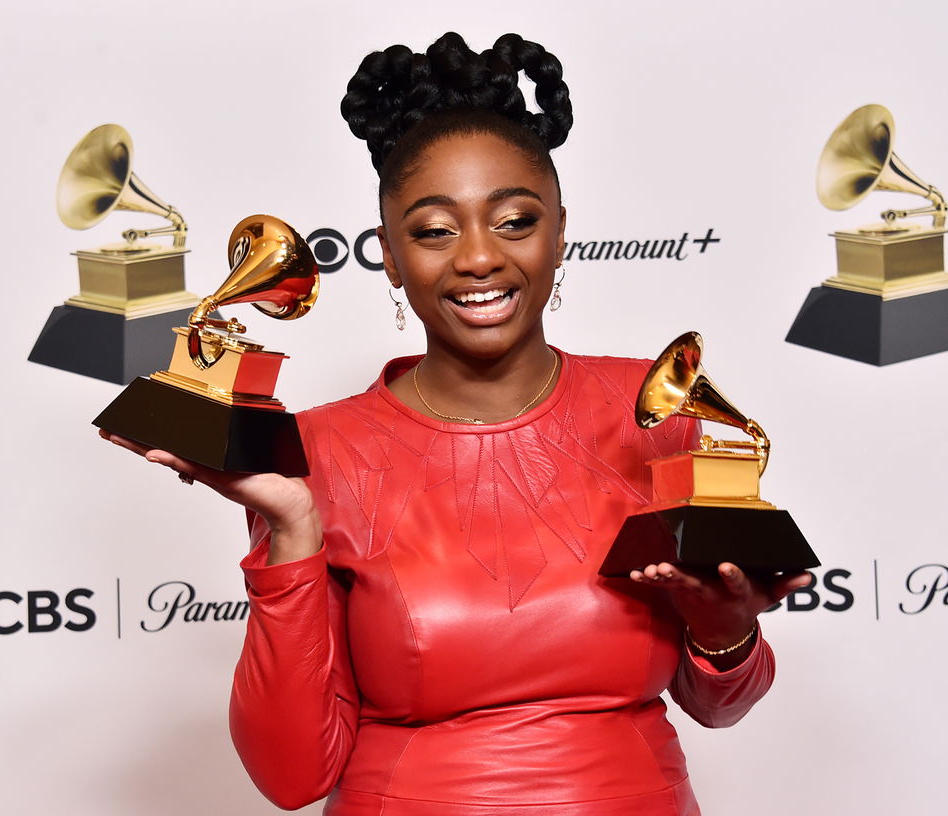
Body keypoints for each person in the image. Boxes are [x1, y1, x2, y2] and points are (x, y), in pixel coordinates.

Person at [104, 32, 808, 816]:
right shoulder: (317, 453)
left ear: (561, 232)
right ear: (391, 257)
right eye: (436, 230)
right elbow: (291, 776)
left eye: (514, 220)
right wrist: (293, 528)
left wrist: (724, 635)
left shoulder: (656, 415)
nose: (478, 257)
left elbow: (721, 704)